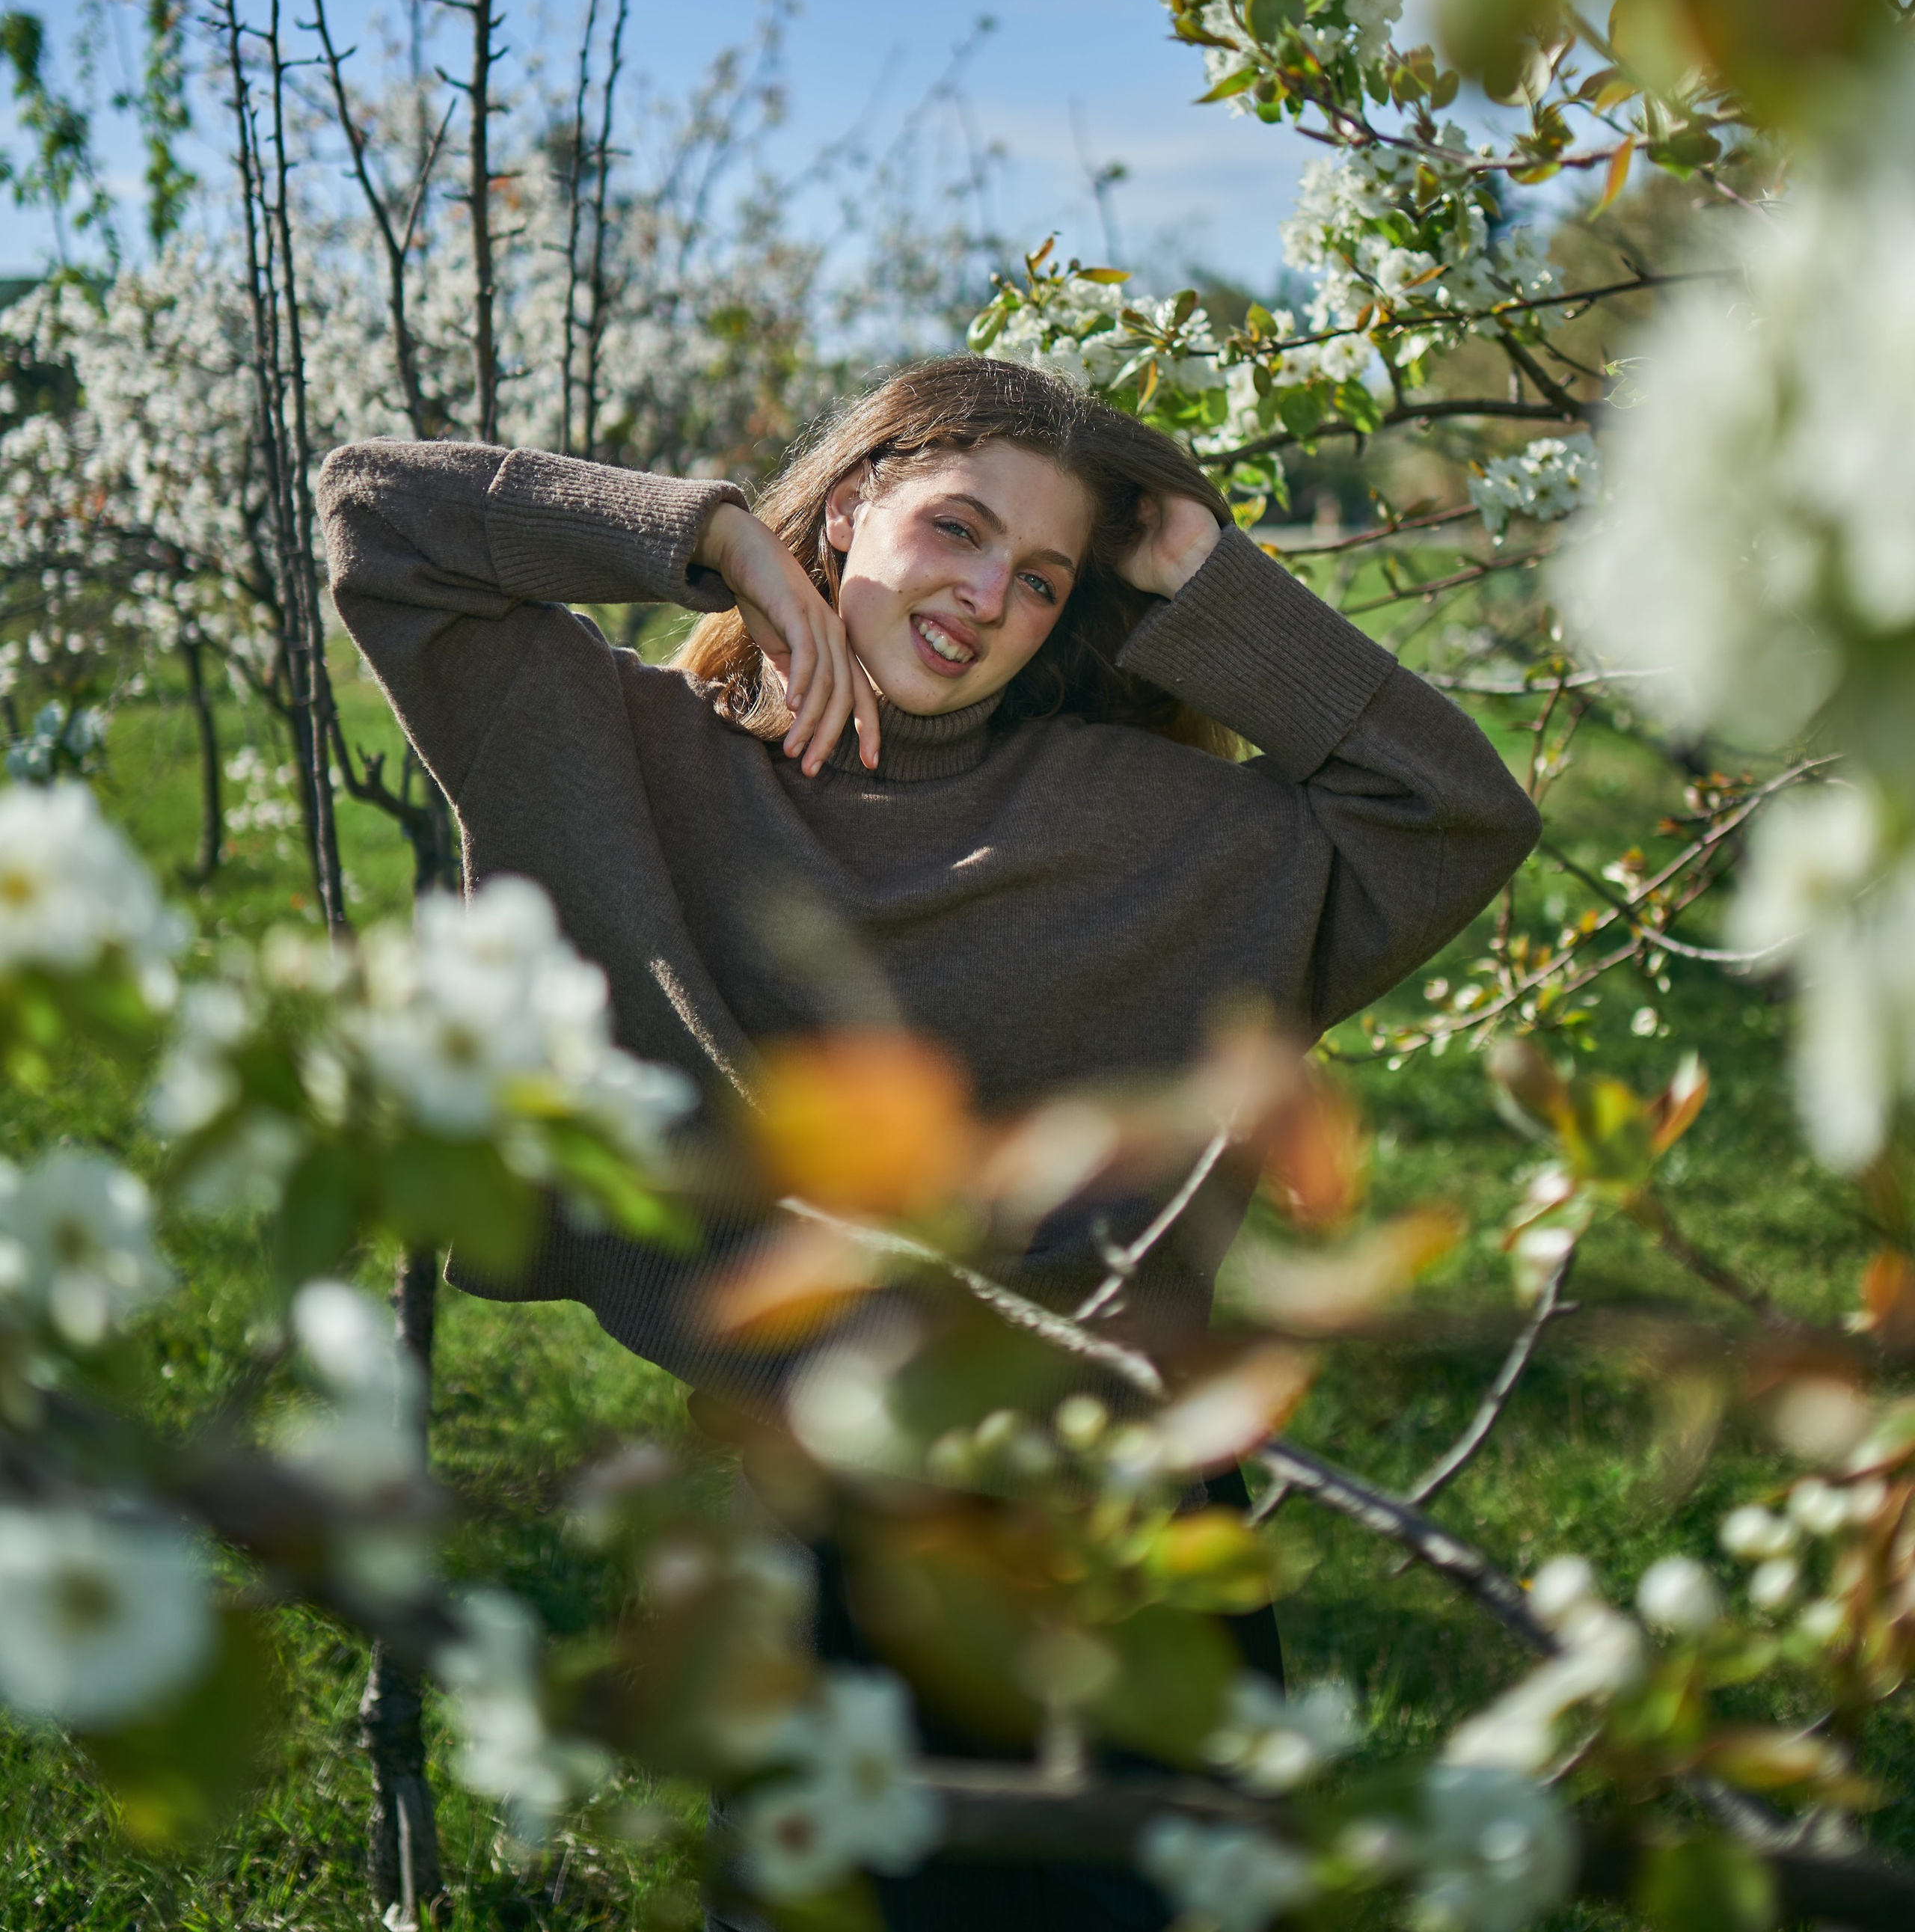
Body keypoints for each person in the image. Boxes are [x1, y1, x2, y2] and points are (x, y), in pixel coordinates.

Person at [317, 354, 1540, 1927]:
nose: (984, 596)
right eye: (953, 527)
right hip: (809, 1518)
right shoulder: (624, 757)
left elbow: (1451, 816)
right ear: (844, 511)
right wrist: (713, 539)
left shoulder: (1144, 822)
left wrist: (1203, 586)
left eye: (1038, 579)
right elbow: (378, 515)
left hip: (1117, 1526)